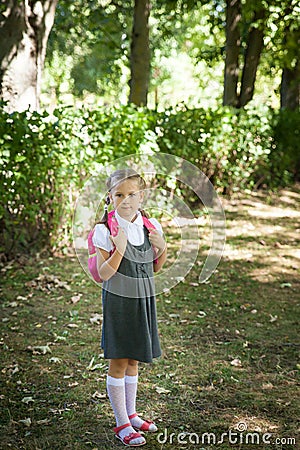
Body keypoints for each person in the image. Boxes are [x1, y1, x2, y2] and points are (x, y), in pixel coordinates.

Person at [92, 169, 167, 447]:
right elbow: (103, 273)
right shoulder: (105, 230)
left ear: (141, 196)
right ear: (109, 198)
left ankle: (132, 414)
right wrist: (119, 248)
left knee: (134, 357)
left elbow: (156, 267)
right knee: (120, 359)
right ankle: (121, 422)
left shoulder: (149, 225)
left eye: (132, 194)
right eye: (119, 194)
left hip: (144, 298)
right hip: (120, 302)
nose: (126, 200)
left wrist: (163, 248)